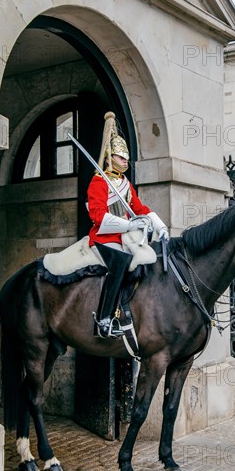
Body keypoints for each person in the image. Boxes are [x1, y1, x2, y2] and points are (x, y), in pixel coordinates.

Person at [87, 111, 168, 337]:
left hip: (124, 237)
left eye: (126, 158)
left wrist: (160, 226)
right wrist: (129, 225)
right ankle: (103, 320)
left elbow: (140, 209)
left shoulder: (124, 183)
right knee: (121, 263)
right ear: (110, 157)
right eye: (121, 157)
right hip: (103, 238)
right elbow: (98, 217)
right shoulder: (98, 182)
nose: (125, 161)